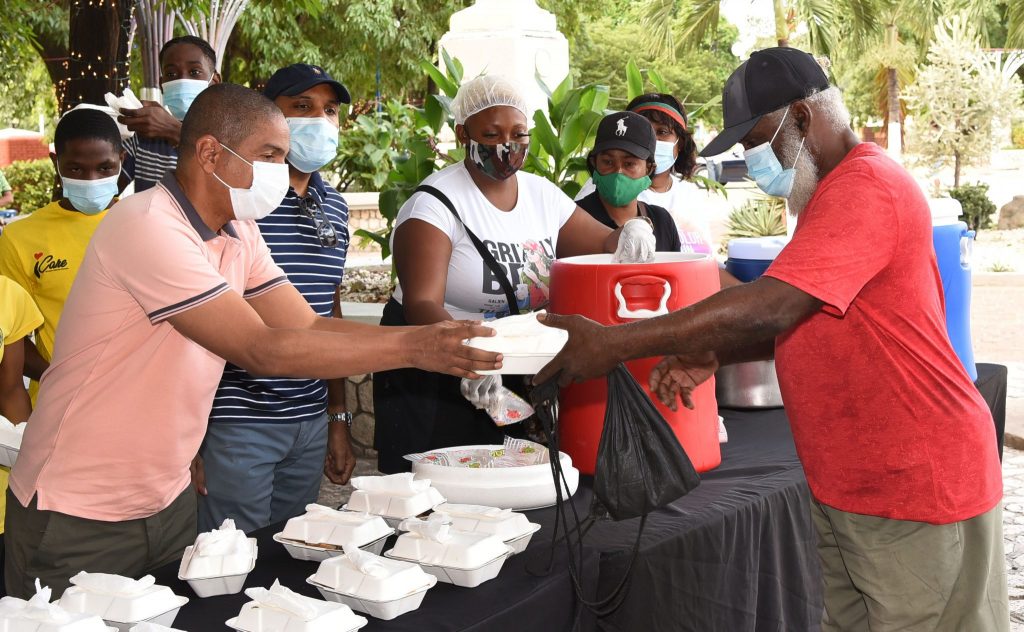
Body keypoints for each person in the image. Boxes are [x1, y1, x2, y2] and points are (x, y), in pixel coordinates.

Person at [535, 47, 1007, 631]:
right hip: (853, 482)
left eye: (756, 143)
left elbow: (777, 304)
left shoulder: (867, 187)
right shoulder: (826, 195)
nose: (752, 162)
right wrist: (716, 348)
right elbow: (820, 313)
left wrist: (613, 344)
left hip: (915, 483)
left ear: (802, 120)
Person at [3, 83, 502, 598]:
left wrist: (427, 336)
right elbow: (260, 348)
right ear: (211, 153)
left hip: (165, 498)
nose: (281, 174)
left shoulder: (239, 232)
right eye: (269, 156)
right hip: (76, 507)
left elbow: (303, 326)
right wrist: (415, 349)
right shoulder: (148, 225)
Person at [374, 75, 654, 474]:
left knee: (504, 496)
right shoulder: (433, 205)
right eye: (491, 134)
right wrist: (469, 358)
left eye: (519, 134)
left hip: (506, 371)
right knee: (436, 498)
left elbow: (605, 242)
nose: (507, 145)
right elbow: (422, 304)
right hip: (434, 374)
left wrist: (631, 231)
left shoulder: (542, 196)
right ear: (461, 134)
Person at [196, 64, 355, 534]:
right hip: (237, 419)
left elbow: (329, 311)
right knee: (229, 562)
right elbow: (194, 318)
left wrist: (337, 418)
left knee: (289, 558)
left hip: (307, 420)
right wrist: (191, 440)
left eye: (330, 111)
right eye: (301, 108)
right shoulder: (237, 202)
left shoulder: (337, 207)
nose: (319, 122)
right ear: (269, 118)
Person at [0, 108, 125, 402]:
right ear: (56, 162)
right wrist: (60, 379)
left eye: (105, 168)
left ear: (121, 162)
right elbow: (10, 332)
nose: (91, 179)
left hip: (142, 401)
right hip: (60, 406)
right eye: (76, 168)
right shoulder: (20, 238)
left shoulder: (148, 222)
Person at [118, 35, 220, 193]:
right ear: (162, 83)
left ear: (215, 82)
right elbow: (106, 190)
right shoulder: (145, 133)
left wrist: (174, 131)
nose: (182, 80)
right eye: (171, 74)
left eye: (194, 72)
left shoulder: (229, 133)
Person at [575, 111, 681, 251]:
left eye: (629, 164)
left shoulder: (662, 221)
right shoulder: (573, 219)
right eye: (608, 162)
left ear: (648, 169)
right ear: (594, 163)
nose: (618, 172)